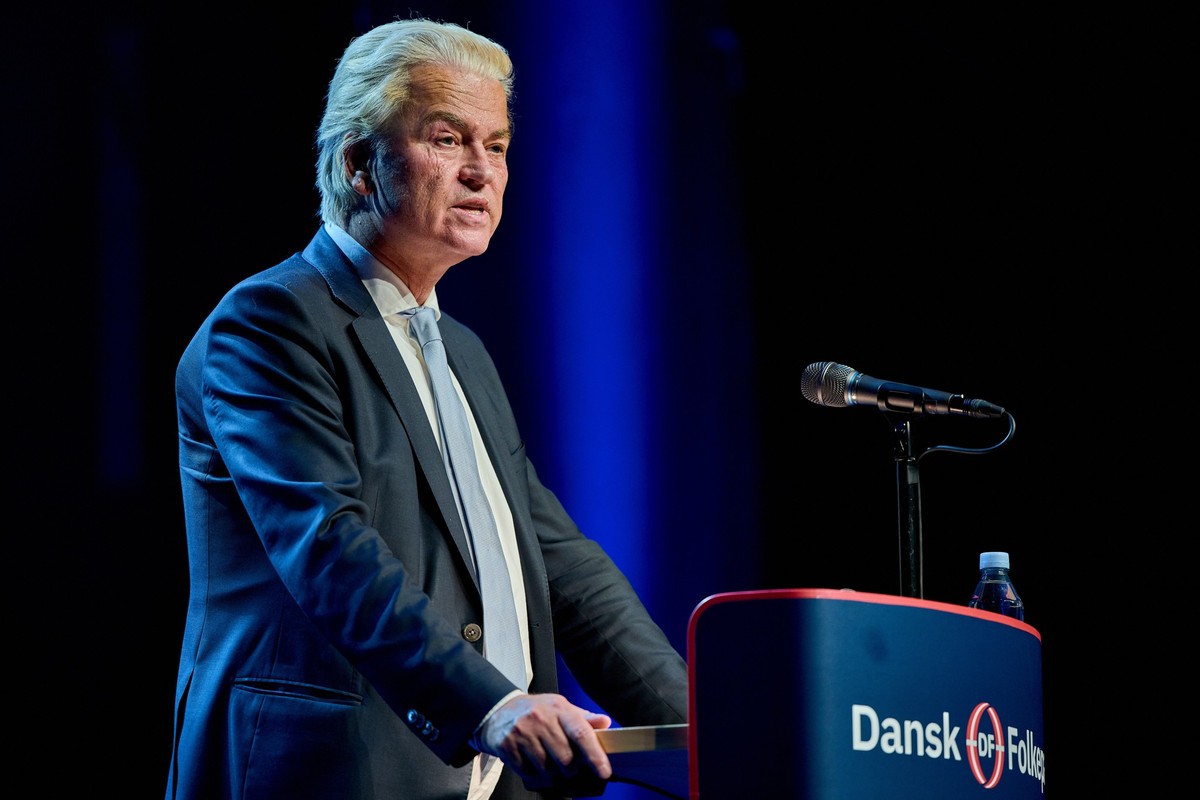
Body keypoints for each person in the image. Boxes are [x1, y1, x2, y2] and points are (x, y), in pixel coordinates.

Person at [164, 16, 689, 800]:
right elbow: (328, 548)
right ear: (360, 164)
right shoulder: (270, 324)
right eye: (448, 139)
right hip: (327, 772)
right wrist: (493, 706)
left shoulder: (463, 351)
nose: (482, 171)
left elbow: (559, 563)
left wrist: (707, 732)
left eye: (498, 145)